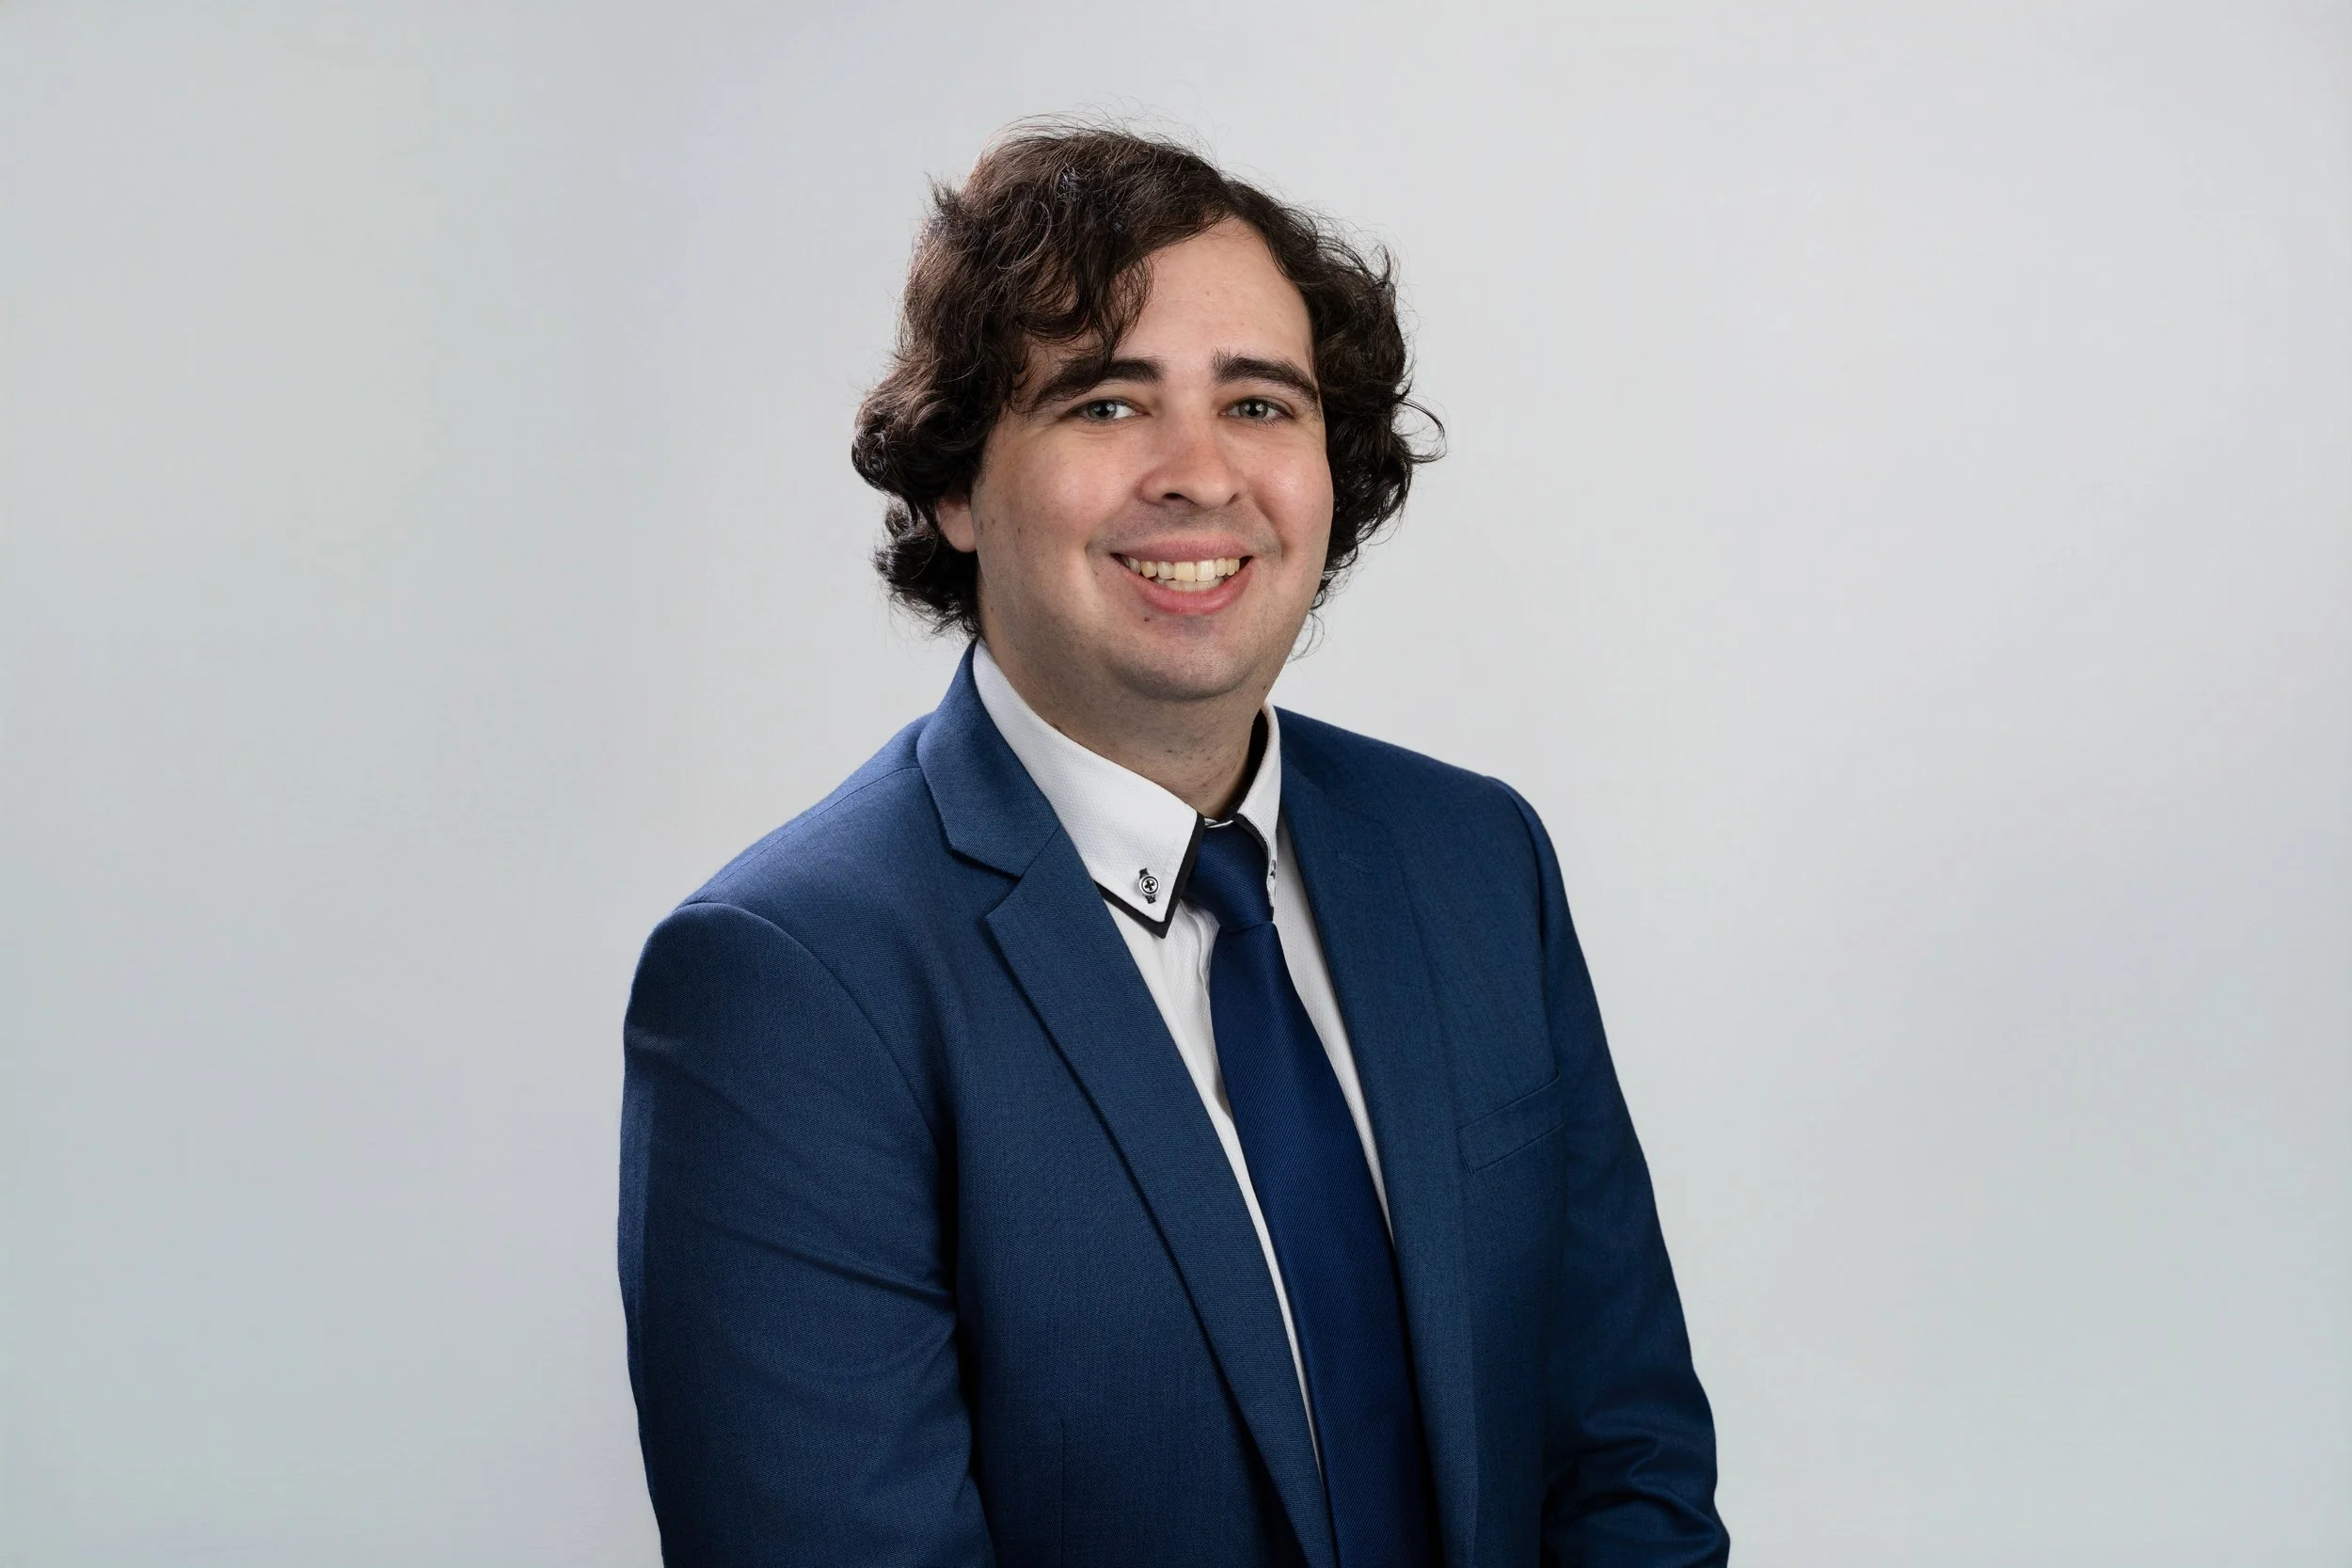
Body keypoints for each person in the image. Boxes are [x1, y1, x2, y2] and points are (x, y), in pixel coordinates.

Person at [618, 123, 1728, 1568]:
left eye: (1261, 405)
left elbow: (1627, 1463)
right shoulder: (792, 981)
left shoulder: (1475, 862)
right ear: (958, 483)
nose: (1201, 475)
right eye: (1104, 405)